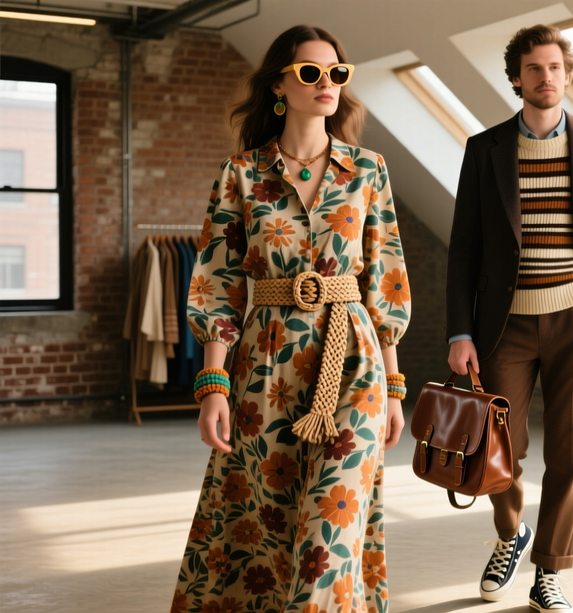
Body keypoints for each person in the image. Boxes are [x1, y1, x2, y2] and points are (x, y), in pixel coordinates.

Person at [172, 25, 409, 613]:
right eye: (310, 72)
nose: (327, 83)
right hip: (267, 366)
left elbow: (385, 278)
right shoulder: (241, 173)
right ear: (279, 85)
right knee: (270, 525)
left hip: (353, 364)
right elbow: (218, 282)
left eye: (337, 73)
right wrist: (213, 385)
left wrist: (395, 384)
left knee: (330, 534)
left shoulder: (368, 170)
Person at [445, 23, 573, 613]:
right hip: (503, 325)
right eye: (534, 68)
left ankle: (549, 571)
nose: (546, 77)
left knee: (569, 453)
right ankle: (511, 534)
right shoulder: (485, 149)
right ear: (516, 78)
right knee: (498, 448)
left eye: (555, 67)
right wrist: (460, 330)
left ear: (567, 74)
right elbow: (464, 249)